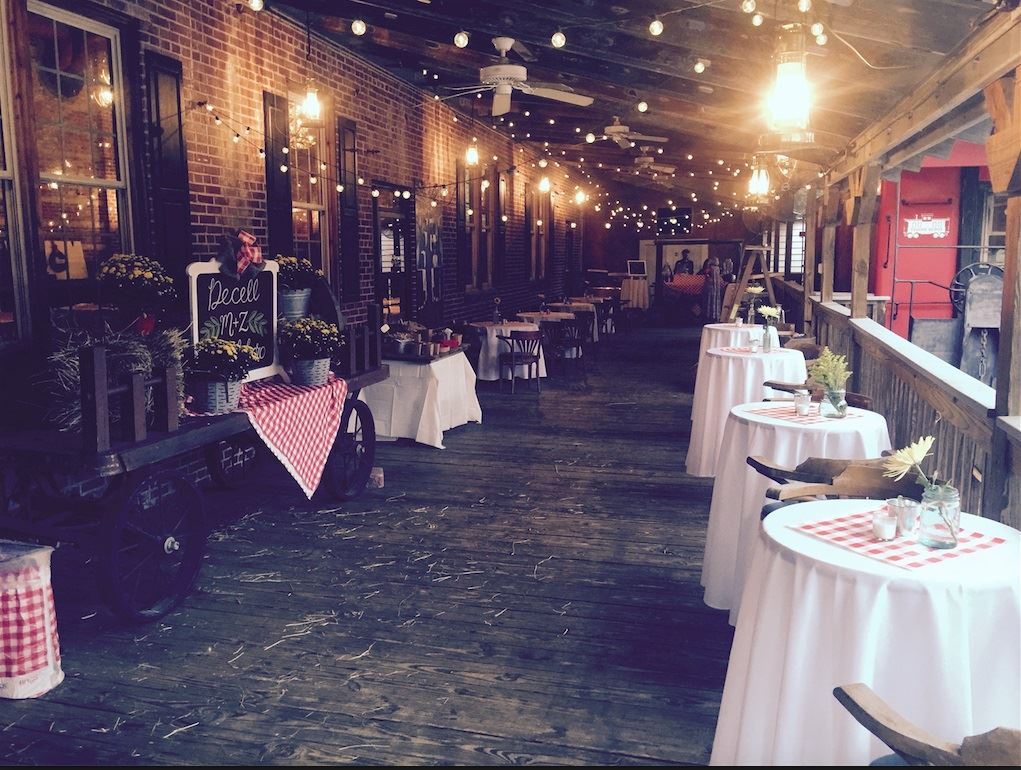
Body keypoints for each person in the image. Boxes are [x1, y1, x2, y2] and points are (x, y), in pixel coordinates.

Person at [701, 255, 724, 322]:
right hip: (715, 289)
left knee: (709, 302)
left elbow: (706, 276)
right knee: (714, 302)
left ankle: (709, 316)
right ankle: (715, 316)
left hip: (711, 289)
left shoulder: (710, 269)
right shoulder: (716, 269)